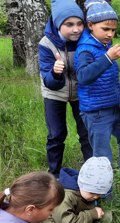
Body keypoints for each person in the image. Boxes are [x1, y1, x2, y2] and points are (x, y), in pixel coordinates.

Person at [74, 0, 120, 177]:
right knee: (103, 156)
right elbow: (83, 77)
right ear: (91, 25)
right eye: (106, 29)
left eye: (113, 30)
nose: (110, 34)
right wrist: (108, 58)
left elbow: (113, 80)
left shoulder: (105, 45)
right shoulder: (86, 49)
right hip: (96, 112)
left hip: (115, 108)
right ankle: (104, 193)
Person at [38, 0, 93, 178]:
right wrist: (55, 73)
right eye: (69, 24)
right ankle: (53, 175)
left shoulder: (86, 40)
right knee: (56, 134)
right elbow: (50, 82)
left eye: (79, 23)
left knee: (86, 132)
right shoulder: (46, 44)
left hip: (80, 92)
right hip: (54, 92)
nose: (76, 29)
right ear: (57, 23)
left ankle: (92, 172)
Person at [38, 156, 113, 223]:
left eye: (99, 194)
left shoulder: (85, 192)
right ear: (82, 183)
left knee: (106, 216)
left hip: (74, 220)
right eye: (92, 192)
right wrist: (92, 214)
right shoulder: (65, 196)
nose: (95, 196)